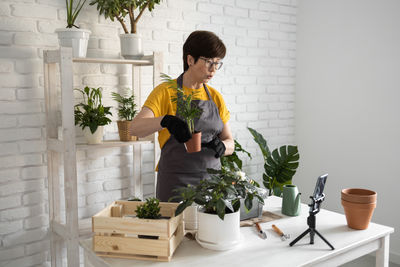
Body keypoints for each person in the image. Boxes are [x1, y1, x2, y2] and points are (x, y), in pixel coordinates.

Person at [131, 30, 234, 201]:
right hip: (175, 183)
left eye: (217, 63)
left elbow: (230, 141)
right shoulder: (165, 92)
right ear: (190, 60)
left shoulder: (215, 97)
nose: (213, 69)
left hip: (212, 184)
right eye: (209, 62)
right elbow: (135, 129)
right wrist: (165, 121)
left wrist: (223, 146)